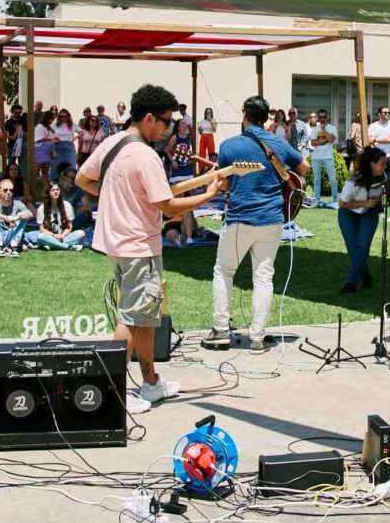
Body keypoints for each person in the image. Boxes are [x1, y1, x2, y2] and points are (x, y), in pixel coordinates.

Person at [77, 84, 222, 412]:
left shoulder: (111, 143)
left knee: (145, 318)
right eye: (166, 121)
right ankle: (112, 392)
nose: (169, 128)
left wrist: (117, 195)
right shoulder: (146, 155)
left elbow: (83, 180)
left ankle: (151, 382)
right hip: (139, 246)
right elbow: (169, 208)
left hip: (116, 243)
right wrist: (210, 194)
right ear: (148, 118)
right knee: (131, 320)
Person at [201, 95, 308, 354]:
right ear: (267, 117)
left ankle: (220, 330)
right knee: (263, 278)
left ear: (244, 116)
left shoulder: (229, 145)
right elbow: (303, 166)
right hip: (272, 219)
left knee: (224, 271)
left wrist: (215, 182)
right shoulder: (279, 143)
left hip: (240, 217)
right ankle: (257, 337)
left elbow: (224, 184)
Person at [337, 146, 387, 293]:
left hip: (369, 213)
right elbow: (342, 203)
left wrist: (377, 201)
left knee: (363, 245)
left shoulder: (382, 179)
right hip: (348, 213)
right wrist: (364, 203)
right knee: (353, 249)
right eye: (382, 164)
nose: (385, 167)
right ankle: (366, 276)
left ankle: (351, 283)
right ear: (372, 164)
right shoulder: (353, 181)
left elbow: (379, 196)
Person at [0, 178, 33, 256]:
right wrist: (3, 217)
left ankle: (14, 246)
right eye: (5, 190)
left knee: (23, 218)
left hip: (10, 236)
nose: (8, 192)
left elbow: (30, 214)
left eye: (11, 190)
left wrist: (16, 217)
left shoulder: (17, 204)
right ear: (0, 191)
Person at [29, 181, 85, 250]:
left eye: (57, 190)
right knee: (41, 237)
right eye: (53, 190)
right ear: (48, 193)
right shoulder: (41, 208)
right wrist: (54, 236)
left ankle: (51, 244)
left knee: (81, 233)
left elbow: (69, 226)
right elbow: (42, 229)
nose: (56, 192)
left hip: (64, 236)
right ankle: (69, 247)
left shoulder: (67, 205)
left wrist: (62, 236)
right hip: (50, 236)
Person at [308, 108, 340, 207]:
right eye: (320, 117)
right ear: (318, 118)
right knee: (316, 180)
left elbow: (331, 139)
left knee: (332, 179)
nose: (322, 119)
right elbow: (313, 143)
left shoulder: (332, 128)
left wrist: (323, 130)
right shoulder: (314, 129)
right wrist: (322, 141)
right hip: (316, 157)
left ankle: (335, 199)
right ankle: (317, 199)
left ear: (327, 117)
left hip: (328, 157)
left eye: (324, 117)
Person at [368, 106, 390, 184]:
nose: (387, 114)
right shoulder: (373, 126)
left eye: (389, 113)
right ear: (379, 114)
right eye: (385, 112)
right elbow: (370, 140)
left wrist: (375, 138)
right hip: (377, 156)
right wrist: (382, 138)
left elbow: (389, 139)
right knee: (376, 182)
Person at [32, 109, 56, 188]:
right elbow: (38, 139)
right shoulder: (40, 127)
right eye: (51, 118)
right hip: (39, 151)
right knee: (35, 171)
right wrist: (50, 139)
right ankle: (33, 188)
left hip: (47, 151)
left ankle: (46, 189)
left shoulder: (49, 128)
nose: (52, 120)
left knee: (45, 172)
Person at [51, 108, 78, 175]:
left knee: (71, 165)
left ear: (68, 117)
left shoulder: (72, 124)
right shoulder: (55, 125)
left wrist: (75, 138)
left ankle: (71, 181)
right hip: (58, 145)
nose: (63, 118)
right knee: (56, 165)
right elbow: (49, 133)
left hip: (69, 145)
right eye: (61, 116)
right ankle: (55, 181)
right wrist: (53, 139)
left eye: (65, 116)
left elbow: (82, 132)